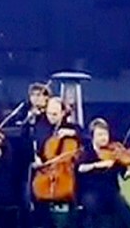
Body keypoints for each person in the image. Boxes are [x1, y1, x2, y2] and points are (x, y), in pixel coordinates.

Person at [77, 118, 130, 228]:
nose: (104, 138)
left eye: (105, 134)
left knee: (126, 215)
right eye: (100, 135)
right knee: (92, 210)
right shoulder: (86, 151)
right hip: (90, 192)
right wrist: (97, 165)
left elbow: (124, 175)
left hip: (111, 192)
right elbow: (79, 168)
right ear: (93, 137)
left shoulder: (114, 152)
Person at [31, 97, 81, 228]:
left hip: (66, 171)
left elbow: (86, 137)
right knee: (35, 194)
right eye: (48, 113)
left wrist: (73, 133)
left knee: (75, 193)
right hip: (44, 169)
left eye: (55, 114)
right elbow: (37, 147)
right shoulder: (41, 126)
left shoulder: (71, 127)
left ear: (63, 113)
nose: (51, 117)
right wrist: (37, 158)